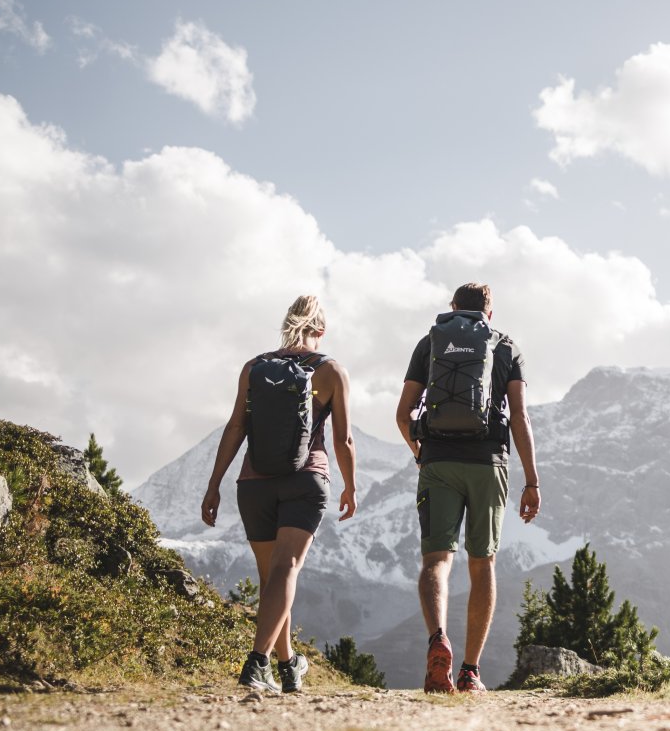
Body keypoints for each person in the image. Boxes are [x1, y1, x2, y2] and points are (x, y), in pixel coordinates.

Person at [201, 295, 359, 693]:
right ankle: (257, 663)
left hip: (253, 483)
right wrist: (351, 485)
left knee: (272, 577)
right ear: (320, 331)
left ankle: (287, 666)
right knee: (286, 570)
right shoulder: (330, 371)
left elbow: (236, 427)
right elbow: (344, 438)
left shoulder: (254, 368)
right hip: (305, 479)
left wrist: (214, 483)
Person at [395, 282, 539, 693]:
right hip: (488, 461)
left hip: (439, 459)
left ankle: (438, 640)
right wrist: (531, 480)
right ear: (488, 313)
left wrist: (419, 451)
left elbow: (403, 413)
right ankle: (470, 672)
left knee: (436, 561)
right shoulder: (505, 347)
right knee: (482, 564)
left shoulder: (431, 343)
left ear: (453, 308)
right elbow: (520, 418)